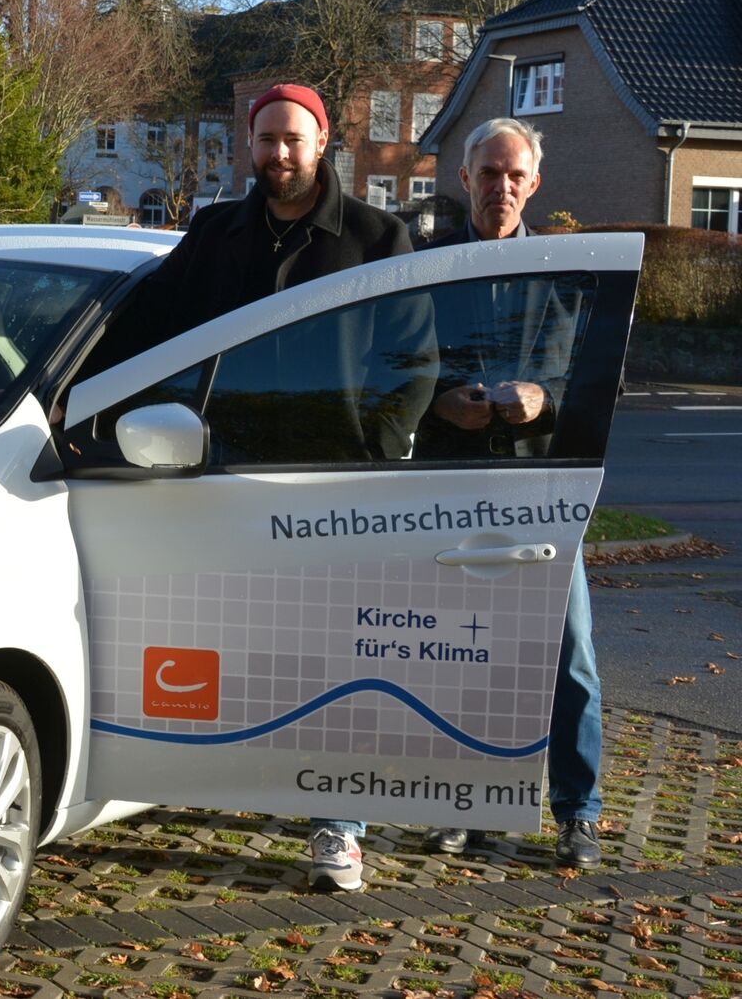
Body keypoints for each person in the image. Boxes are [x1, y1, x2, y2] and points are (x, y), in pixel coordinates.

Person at [88, 84, 424, 892]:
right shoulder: (214, 232)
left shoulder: (381, 239)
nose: (278, 154)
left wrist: (367, 459)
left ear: (324, 143)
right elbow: (148, 327)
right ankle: (220, 781)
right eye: (266, 139)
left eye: (293, 141)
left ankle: (339, 826)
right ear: (249, 143)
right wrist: (78, 393)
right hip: (225, 476)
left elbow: (414, 363)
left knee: (344, 662)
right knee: (240, 648)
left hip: (336, 489)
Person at [414, 117, 604, 869]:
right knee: (456, 653)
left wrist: (546, 400)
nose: (500, 187)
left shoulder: (566, 274)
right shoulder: (423, 268)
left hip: (540, 486)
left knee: (572, 653)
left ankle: (578, 812)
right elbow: (396, 365)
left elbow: (591, 375)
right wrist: (435, 401)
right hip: (449, 482)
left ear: (534, 184)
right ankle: (463, 803)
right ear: (463, 178)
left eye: (513, 175)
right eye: (487, 173)